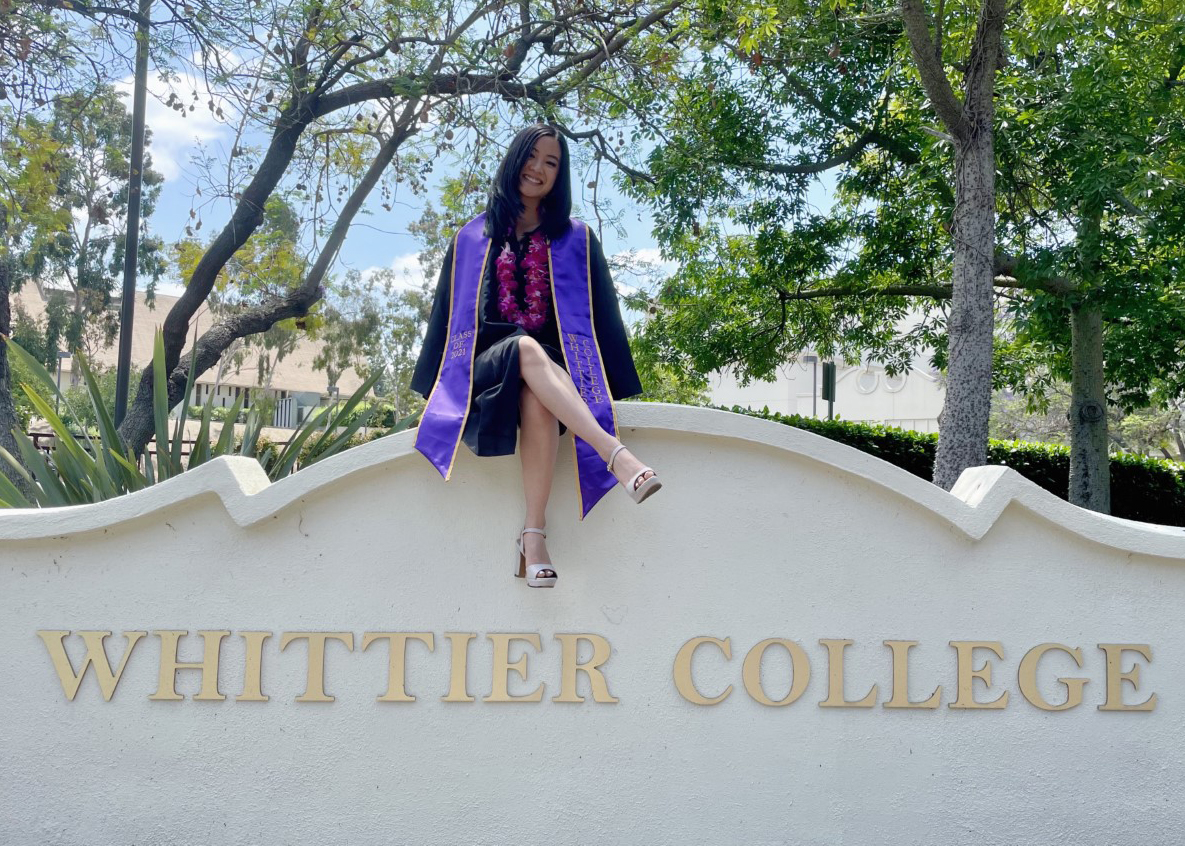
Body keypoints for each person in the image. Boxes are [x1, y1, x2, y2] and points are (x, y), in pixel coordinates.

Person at [411, 124, 661, 589]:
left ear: (559, 176)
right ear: (514, 160)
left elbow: (601, 315)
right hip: (482, 373)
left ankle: (533, 537)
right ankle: (616, 455)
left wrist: (612, 385)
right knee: (523, 347)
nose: (538, 168)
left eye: (552, 162)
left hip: (549, 380)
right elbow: (446, 319)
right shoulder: (472, 237)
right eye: (532, 156)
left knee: (537, 398)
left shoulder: (575, 240)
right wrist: (431, 394)